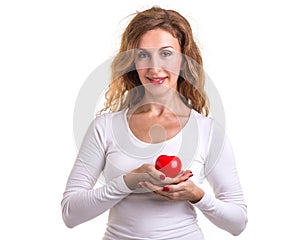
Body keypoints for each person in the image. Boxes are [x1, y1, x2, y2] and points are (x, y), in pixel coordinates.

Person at [61, 6, 248, 240]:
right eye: (143, 55)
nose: (154, 67)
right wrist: (129, 181)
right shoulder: (105, 127)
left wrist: (197, 195)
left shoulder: (207, 130)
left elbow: (238, 222)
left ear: (183, 59)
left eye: (166, 53)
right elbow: (70, 214)